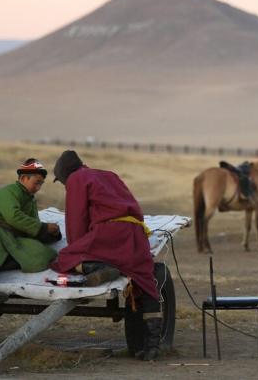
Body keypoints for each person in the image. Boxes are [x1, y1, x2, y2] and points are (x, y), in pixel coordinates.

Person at [49, 150, 162, 361]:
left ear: (64, 174)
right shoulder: (109, 174)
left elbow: (76, 220)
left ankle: (97, 268)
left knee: (64, 257)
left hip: (110, 235)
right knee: (146, 284)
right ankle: (153, 348)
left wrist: (78, 247)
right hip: (136, 235)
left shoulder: (76, 179)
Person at [0, 158, 61, 306]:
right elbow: (13, 216)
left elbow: (31, 225)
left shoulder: (30, 201)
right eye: (36, 182)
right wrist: (43, 227)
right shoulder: (8, 192)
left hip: (11, 237)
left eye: (41, 183)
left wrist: (49, 233)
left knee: (43, 254)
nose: (38, 187)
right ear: (23, 178)